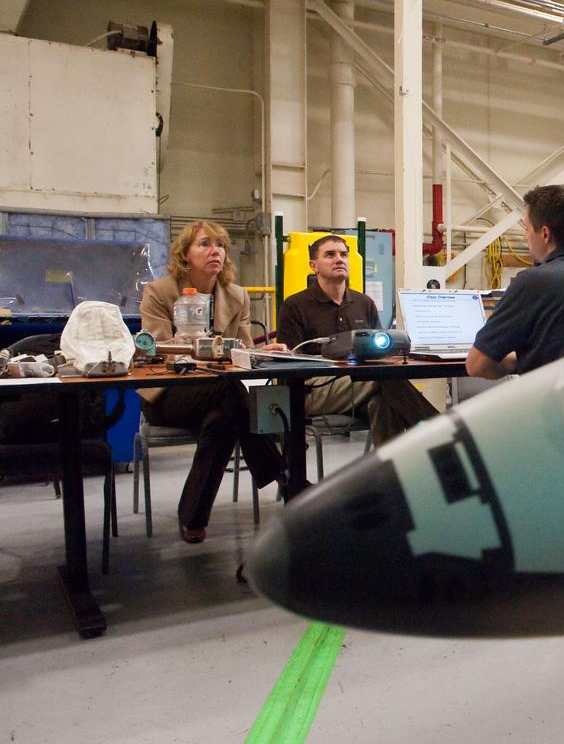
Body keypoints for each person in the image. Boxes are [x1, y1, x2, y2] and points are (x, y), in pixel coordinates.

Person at [139, 220, 291, 544]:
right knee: (229, 388)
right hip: (170, 393)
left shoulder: (236, 296)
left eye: (220, 245)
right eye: (205, 244)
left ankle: (192, 518)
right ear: (185, 254)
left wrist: (262, 351)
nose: (215, 251)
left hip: (222, 393)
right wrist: (219, 355)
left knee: (224, 418)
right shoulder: (159, 292)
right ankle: (282, 474)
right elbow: (159, 353)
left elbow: (244, 352)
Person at [276, 234, 439, 445]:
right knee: (382, 377)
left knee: (383, 403)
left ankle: (391, 473)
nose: (339, 259)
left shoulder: (364, 303)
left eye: (344, 254)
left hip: (364, 383)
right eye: (330, 254)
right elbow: (289, 363)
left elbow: (383, 351)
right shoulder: (295, 305)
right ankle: (439, 429)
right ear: (313, 265)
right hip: (315, 389)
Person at [467, 185, 564, 379]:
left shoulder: (532, 283)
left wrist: (521, 361)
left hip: (553, 405)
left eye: (526, 229)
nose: (525, 236)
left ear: (545, 234)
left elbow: (476, 365)